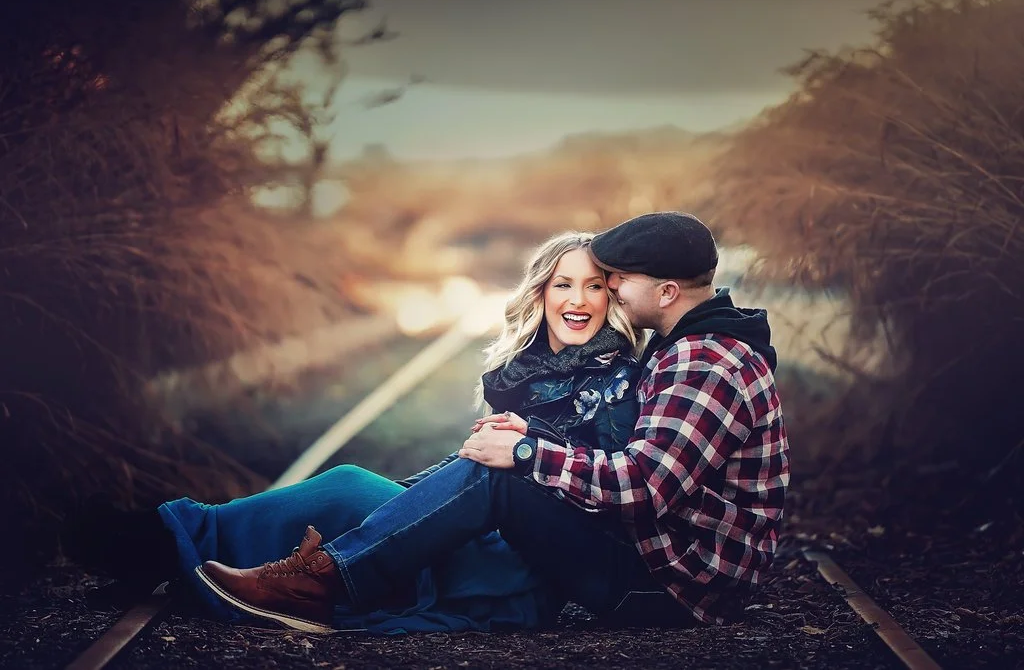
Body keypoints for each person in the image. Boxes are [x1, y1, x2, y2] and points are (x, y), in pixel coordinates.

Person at [197, 211, 790, 631]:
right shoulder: (687, 349)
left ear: (664, 292)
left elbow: (642, 487)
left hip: (672, 587)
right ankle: (286, 563)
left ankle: (322, 582)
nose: (610, 289)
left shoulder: (704, 360)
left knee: (500, 474)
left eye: (618, 280)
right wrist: (520, 443)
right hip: (663, 567)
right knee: (424, 476)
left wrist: (528, 454)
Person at [64, 231, 643, 634]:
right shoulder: (530, 371)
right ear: (541, 293)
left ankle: (166, 545)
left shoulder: (617, 379)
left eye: (594, 287)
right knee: (354, 493)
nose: (578, 300)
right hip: (485, 533)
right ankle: (173, 551)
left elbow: (604, 486)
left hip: (524, 569)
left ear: (612, 298)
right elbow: (468, 474)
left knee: (346, 488)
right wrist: (420, 499)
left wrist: (529, 448)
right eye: (563, 285)